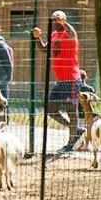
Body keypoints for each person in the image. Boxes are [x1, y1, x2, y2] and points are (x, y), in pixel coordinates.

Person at [32, 10, 83, 152]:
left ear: (63, 20)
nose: (55, 22)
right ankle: (75, 129)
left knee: (71, 109)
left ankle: (70, 143)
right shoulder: (54, 35)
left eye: (58, 20)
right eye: (53, 20)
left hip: (72, 79)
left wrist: (64, 22)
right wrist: (37, 37)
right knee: (50, 109)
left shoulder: (70, 35)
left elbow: (72, 32)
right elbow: (44, 49)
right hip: (59, 81)